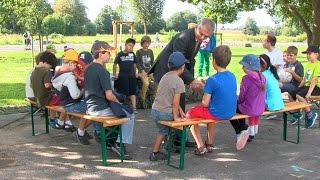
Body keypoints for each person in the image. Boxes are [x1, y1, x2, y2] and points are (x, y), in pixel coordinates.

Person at [149, 18, 215, 148]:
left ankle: (178, 139)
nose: (202, 37)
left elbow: (189, 60)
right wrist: (191, 80)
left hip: (178, 70)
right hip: (165, 70)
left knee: (181, 101)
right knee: (169, 104)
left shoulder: (198, 40)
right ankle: (170, 139)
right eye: (201, 33)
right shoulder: (183, 37)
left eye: (206, 36)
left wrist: (192, 80)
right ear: (196, 27)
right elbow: (178, 61)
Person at [85, 40, 135, 160]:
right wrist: (119, 102)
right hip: (100, 109)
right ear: (101, 54)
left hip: (90, 107)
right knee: (129, 115)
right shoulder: (103, 71)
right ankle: (120, 143)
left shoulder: (88, 68)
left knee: (120, 111)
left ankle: (110, 140)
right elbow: (109, 95)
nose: (110, 55)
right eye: (108, 53)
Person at [186, 45, 237, 154]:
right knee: (210, 113)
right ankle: (209, 143)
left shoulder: (212, 79)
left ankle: (200, 146)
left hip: (218, 113)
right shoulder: (232, 76)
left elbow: (205, 103)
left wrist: (202, 90)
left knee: (190, 114)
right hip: (231, 111)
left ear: (214, 61)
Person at [149, 52, 187, 161]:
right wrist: (176, 117)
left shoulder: (165, 76)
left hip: (155, 110)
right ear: (182, 67)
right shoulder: (179, 81)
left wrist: (180, 110)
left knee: (163, 130)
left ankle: (162, 148)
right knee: (176, 126)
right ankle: (160, 150)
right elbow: (175, 102)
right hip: (164, 113)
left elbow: (170, 98)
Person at [52, 49, 92, 145]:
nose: (77, 66)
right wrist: (84, 89)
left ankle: (80, 131)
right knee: (94, 109)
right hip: (72, 105)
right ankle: (80, 132)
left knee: (90, 106)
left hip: (65, 103)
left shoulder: (59, 73)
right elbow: (75, 95)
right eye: (75, 63)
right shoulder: (69, 77)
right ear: (70, 63)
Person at [30, 51, 71, 130]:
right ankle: (62, 122)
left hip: (39, 98)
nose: (50, 67)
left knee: (62, 101)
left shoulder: (34, 71)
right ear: (46, 62)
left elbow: (32, 85)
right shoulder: (46, 71)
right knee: (67, 102)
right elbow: (47, 85)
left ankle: (66, 122)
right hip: (47, 98)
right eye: (50, 65)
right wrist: (54, 83)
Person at [288, 45, 320, 128]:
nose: (308, 55)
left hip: (316, 87)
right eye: (307, 54)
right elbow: (305, 78)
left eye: (310, 53)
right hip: (307, 86)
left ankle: (310, 114)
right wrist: (299, 87)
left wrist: (308, 93)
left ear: (316, 54)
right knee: (291, 93)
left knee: (299, 95)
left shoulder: (318, 65)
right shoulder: (309, 64)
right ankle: (296, 114)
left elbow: (314, 80)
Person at [237, 54, 266, 143]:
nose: (242, 68)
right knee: (252, 107)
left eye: (244, 66)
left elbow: (242, 95)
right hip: (260, 108)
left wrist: (239, 102)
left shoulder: (246, 78)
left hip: (249, 108)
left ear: (249, 67)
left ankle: (242, 130)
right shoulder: (262, 77)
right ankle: (253, 131)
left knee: (234, 107)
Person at [113, 38, 138, 113]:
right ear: (125, 45)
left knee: (133, 91)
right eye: (129, 45)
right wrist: (114, 74)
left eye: (132, 46)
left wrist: (135, 73)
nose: (130, 47)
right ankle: (123, 106)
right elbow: (115, 64)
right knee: (124, 91)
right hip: (123, 76)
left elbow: (134, 64)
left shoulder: (133, 54)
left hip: (132, 76)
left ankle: (134, 107)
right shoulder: (120, 54)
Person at [260, 54, 284, 119]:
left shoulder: (262, 75)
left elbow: (261, 91)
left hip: (271, 105)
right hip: (280, 104)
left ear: (263, 66)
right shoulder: (271, 72)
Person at [136, 35, 155, 105]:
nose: (146, 45)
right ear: (142, 43)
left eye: (148, 43)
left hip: (150, 71)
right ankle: (142, 98)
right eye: (145, 43)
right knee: (146, 83)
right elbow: (137, 63)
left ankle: (153, 96)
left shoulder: (150, 51)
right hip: (142, 71)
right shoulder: (139, 52)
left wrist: (153, 70)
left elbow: (153, 62)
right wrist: (141, 71)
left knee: (158, 80)